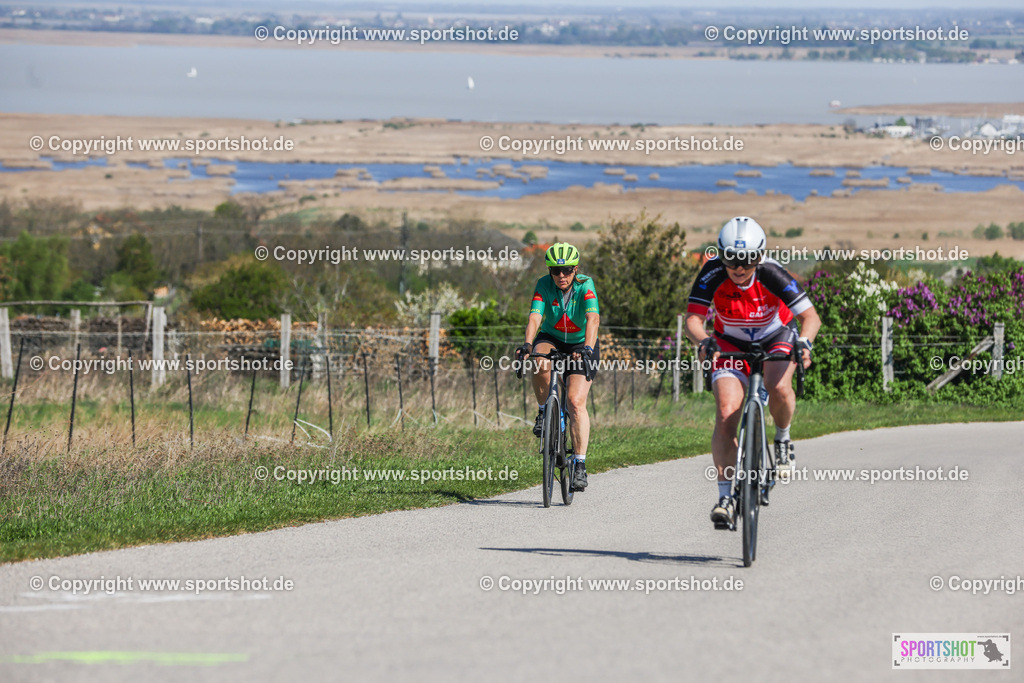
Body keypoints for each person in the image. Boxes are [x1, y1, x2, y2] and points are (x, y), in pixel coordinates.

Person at [684, 217, 820, 528]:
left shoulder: (772, 273)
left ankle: (783, 439)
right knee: (726, 411)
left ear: (759, 257)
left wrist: (805, 344)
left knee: (779, 388)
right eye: (731, 258)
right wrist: (704, 341)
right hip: (729, 342)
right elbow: (693, 320)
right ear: (721, 255)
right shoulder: (713, 273)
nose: (739, 267)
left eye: (747, 259)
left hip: (776, 336)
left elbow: (810, 317)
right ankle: (725, 498)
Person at [516, 242, 600, 491]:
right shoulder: (544, 284)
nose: (561, 276)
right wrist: (528, 344)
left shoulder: (586, 284)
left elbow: (592, 318)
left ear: (576, 269)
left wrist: (586, 348)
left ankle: (580, 465)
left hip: (580, 343)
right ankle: (544, 411)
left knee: (575, 401)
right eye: (555, 270)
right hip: (551, 337)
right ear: (550, 270)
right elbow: (535, 316)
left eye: (566, 271)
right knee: (539, 362)